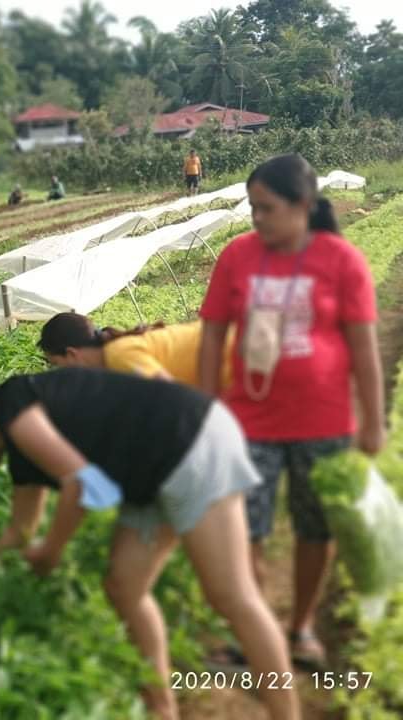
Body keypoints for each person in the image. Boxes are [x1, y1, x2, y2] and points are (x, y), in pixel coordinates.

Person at [0, 369, 299, 720]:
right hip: (152, 470)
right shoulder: (20, 447)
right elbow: (20, 530)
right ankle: (161, 708)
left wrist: (52, 552)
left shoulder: (15, 410)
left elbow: (81, 483)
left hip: (190, 439)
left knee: (231, 595)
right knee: (124, 586)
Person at [199, 153, 384, 670]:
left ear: (303, 206)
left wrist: (373, 421)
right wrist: (211, 407)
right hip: (247, 420)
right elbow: (213, 334)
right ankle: (258, 633)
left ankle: (301, 627)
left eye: (268, 208)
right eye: (253, 208)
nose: (257, 219)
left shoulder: (341, 261)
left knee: (315, 528)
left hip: (322, 421)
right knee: (244, 530)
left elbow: (364, 348)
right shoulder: (237, 256)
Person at [38, 313, 233, 389]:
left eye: (56, 364)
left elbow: (173, 397)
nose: (59, 373)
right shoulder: (115, 358)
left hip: (237, 354)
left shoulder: (118, 355)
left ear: (72, 354)